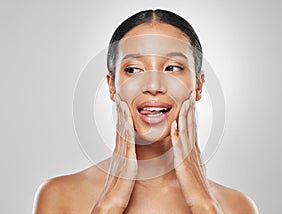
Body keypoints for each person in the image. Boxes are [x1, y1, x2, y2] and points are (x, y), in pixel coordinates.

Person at [34, 9, 258, 213]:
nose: (153, 86)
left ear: (198, 85)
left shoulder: (237, 207)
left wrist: (203, 203)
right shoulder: (59, 196)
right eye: (133, 69)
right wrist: (110, 203)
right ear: (112, 86)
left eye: (172, 68)